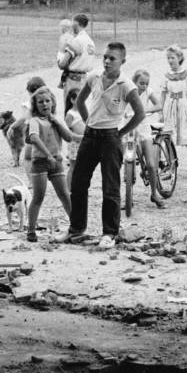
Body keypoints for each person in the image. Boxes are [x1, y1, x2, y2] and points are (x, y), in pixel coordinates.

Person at [68, 41, 144, 247]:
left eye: (113, 58)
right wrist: (87, 123)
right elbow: (80, 101)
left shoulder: (126, 85)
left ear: (122, 61)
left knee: (110, 187)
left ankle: (109, 233)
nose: (108, 61)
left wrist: (120, 133)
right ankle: (76, 229)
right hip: (90, 135)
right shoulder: (93, 77)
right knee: (78, 183)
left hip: (110, 138)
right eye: (106, 57)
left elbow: (140, 113)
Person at [26, 86, 75, 242]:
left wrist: (57, 123)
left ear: (53, 103)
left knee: (65, 195)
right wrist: (47, 155)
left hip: (56, 160)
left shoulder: (55, 119)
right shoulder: (34, 120)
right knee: (38, 197)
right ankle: (31, 230)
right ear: (36, 105)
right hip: (41, 161)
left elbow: (68, 137)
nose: (45, 105)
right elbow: (33, 138)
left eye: (47, 101)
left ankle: (76, 227)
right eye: (40, 102)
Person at [128, 69, 166, 208]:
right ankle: (128, 195)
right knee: (128, 160)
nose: (143, 86)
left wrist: (147, 110)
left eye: (146, 83)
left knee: (150, 163)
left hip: (143, 128)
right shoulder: (128, 92)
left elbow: (159, 105)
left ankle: (154, 193)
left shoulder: (148, 92)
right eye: (141, 83)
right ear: (134, 82)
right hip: (130, 129)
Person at [161, 44, 187, 179]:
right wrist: (161, 112)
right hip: (170, 107)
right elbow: (163, 94)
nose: (170, 60)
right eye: (168, 58)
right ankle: (171, 169)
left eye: (173, 58)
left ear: (179, 58)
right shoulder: (166, 75)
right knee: (168, 138)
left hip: (183, 106)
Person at [58, 13, 96, 113]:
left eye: (72, 23)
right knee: (80, 110)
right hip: (84, 79)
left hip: (73, 80)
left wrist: (59, 55)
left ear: (76, 23)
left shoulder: (76, 41)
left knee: (70, 111)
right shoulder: (90, 41)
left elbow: (62, 64)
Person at [64, 88, 85, 191]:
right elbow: (66, 131)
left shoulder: (83, 111)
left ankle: (79, 187)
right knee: (73, 166)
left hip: (84, 143)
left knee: (82, 167)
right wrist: (77, 137)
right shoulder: (70, 114)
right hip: (75, 144)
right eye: (79, 97)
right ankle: (68, 188)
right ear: (72, 100)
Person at [56, 18, 75, 89]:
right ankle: (62, 82)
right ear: (68, 28)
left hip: (59, 56)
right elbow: (70, 47)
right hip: (63, 56)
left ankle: (62, 82)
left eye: (61, 27)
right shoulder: (69, 36)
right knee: (70, 68)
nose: (60, 29)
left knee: (67, 70)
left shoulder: (62, 36)